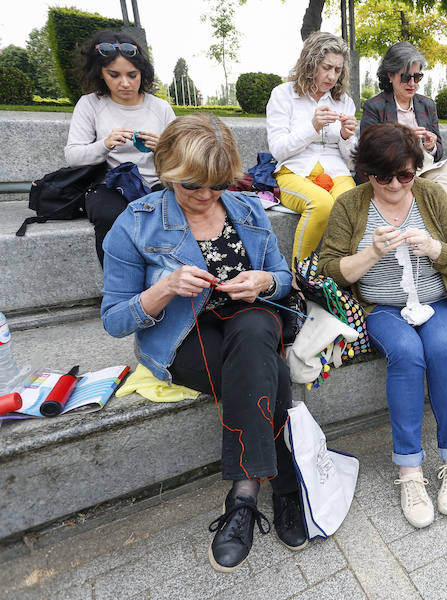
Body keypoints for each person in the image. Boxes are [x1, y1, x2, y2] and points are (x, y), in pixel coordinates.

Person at [100, 114, 305, 572]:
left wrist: (264, 280)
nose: (208, 195)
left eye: (217, 184)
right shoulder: (136, 223)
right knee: (263, 366)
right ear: (169, 171)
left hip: (249, 321)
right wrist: (164, 288)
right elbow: (114, 319)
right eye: (193, 186)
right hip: (182, 337)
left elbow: (285, 281)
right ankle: (287, 483)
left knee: (254, 330)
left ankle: (243, 497)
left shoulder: (247, 209)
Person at [318, 123, 447, 529]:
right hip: (382, 307)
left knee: (443, 350)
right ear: (367, 172)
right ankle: (410, 472)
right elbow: (329, 269)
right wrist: (371, 252)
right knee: (406, 353)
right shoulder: (351, 204)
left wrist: (436, 248)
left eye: (404, 175)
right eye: (382, 176)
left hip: (436, 302)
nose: (393, 185)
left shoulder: (431, 195)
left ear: (416, 170)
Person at [65, 30, 175, 264]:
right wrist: (104, 145)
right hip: (108, 185)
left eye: (132, 75)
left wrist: (162, 148)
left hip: (156, 182)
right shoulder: (91, 104)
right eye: (113, 75)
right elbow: (73, 156)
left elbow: (185, 156)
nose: (124, 83)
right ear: (100, 73)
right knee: (109, 216)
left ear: (142, 73)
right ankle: (119, 290)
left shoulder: (160, 107)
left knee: (170, 211)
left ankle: (167, 280)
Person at [266, 31, 358, 262]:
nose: (331, 76)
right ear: (310, 63)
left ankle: (338, 271)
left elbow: (352, 160)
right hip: (294, 169)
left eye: (337, 70)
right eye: (326, 67)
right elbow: (278, 149)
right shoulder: (283, 94)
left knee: (351, 204)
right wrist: (313, 126)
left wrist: (347, 137)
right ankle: (301, 276)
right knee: (321, 204)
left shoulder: (344, 101)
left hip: (336, 171)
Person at [360, 42, 447, 211]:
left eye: (418, 77)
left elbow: (439, 151)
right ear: (390, 75)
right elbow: (367, 152)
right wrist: (403, 138)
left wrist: (431, 146)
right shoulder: (374, 106)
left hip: (423, 168)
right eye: (406, 77)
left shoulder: (427, 105)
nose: (412, 83)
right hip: (391, 172)